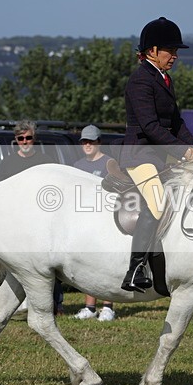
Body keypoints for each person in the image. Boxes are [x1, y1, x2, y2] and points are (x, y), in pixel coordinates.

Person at [118, 16, 193, 292]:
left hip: (159, 156)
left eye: (176, 52)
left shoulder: (165, 79)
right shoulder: (140, 80)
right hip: (139, 156)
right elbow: (151, 127)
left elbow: (175, 123)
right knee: (157, 203)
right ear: (152, 51)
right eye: (170, 50)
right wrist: (182, 151)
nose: (175, 56)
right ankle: (135, 269)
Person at [0, 120, 64, 316]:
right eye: (21, 138)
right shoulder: (8, 163)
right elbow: (0, 190)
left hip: (42, 221)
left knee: (49, 263)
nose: (25, 142)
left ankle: (56, 303)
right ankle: (19, 304)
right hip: (15, 221)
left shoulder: (46, 160)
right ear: (16, 140)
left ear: (34, 139)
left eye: (28, 138)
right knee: (18, 264)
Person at [71, 125, 116, 321]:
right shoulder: (77, 166)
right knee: (89, 264)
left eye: (91, 141)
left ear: (99, 142)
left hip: (106, 221)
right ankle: (89, 308)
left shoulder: (110, 164)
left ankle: (108, 307)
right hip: (84, 222)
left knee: (106, 264)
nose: (87, 144)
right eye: (84, 141)